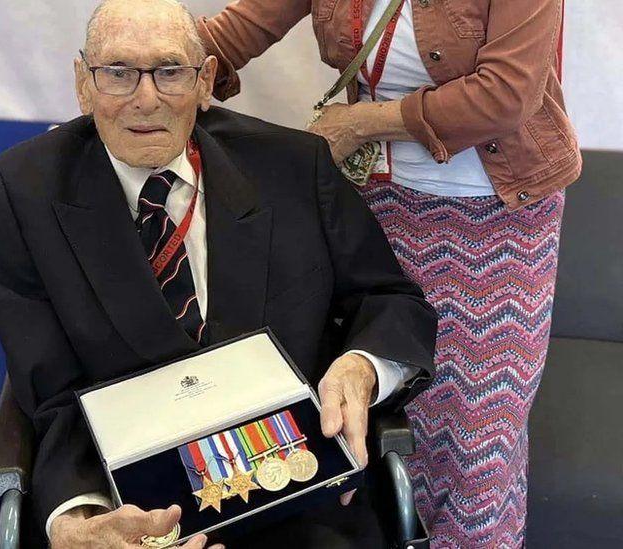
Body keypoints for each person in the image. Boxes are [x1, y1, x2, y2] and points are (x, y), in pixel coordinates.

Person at [0, 0, 436, 546]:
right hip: (133, 499)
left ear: (205, 80)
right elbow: (49, 388)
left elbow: (390, 298)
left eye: (170, 71)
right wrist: (80, 522)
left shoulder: (292, 166)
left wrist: (360, 368)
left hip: (293, 487)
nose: (145, 98)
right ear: (83, 83)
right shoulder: (21, 191)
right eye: (117, 73)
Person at [197, 0, 582, 546]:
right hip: (375, 206)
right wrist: (146, 66)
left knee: (473, 443)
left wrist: (360, 122)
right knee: (384, 419)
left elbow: (507, 94)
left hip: (495, 219)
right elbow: (241, 27)